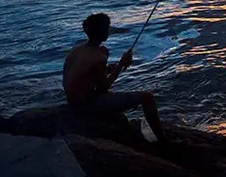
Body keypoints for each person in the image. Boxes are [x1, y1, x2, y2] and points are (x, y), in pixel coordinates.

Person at [63, 13, 167, 143]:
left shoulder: (77, 50)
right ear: (102, 31)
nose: (109, 30)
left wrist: (106, 69)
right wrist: (121, 64)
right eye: (107, 27)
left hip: (72, 101)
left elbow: (83, 76)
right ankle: (163, 142)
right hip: (86, 105)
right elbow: (104, 86)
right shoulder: (97, 56)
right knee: (147, 97)